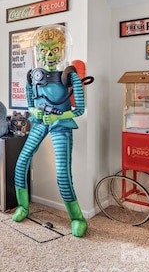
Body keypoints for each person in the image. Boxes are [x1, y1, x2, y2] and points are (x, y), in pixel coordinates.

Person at [12, 25, 91, 237]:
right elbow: (29, 104)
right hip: (40, 122)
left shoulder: (70, 76)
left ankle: (77, 218)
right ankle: (23, 206)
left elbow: (80, 110)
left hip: (60, 124)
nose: (48, 55)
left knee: (62, 174)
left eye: (54, 50)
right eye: (45, 50)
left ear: (62, 50)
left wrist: (57, 116)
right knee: (21, 163)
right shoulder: (32, 77)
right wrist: (35, 112)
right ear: (38, 52)